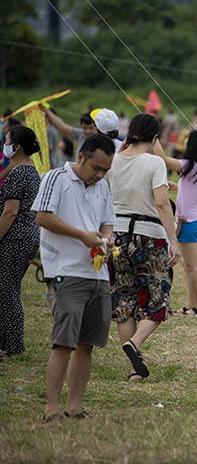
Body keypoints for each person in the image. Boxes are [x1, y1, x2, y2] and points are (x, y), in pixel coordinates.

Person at [32, 134, 116, 421]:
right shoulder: (56, 178)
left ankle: (74, 407)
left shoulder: (103, 186)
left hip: (97, 272)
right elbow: (42, 217)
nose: (100, 174)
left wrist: (106, 240)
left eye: (106, 169)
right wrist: (81, 235)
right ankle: (52, 409)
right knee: (63, 343)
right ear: (81, 157)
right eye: (96, 167)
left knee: (86, 344)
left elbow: (107, 223)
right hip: (65, 272)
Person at [107, 114, 179, 381]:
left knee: (124, 300)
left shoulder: (113, 160)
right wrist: (173, 239)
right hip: (147, 236)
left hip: (116, 236)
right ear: (155, 138)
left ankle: (134, 370)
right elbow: (162, 203)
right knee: (158, 299)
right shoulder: (154, 162)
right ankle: (135, 344)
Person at [154, 129, 197, 317]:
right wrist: (179, 186)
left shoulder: (188, 165)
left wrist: (154, 138)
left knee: (194, 267)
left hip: (190, 224)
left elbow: (163, 159)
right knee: (189, 267)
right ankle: (190, 306)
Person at [0, 126, 42, 357]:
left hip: (15, 237)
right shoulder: (30, 171)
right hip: (26, 236)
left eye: (6, 141)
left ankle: (14, 346)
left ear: (16, 147)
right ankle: (6, 343)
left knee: (8, 292)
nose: (4, 145)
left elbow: (10, 212)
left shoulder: (19, 173)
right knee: (7, 290)